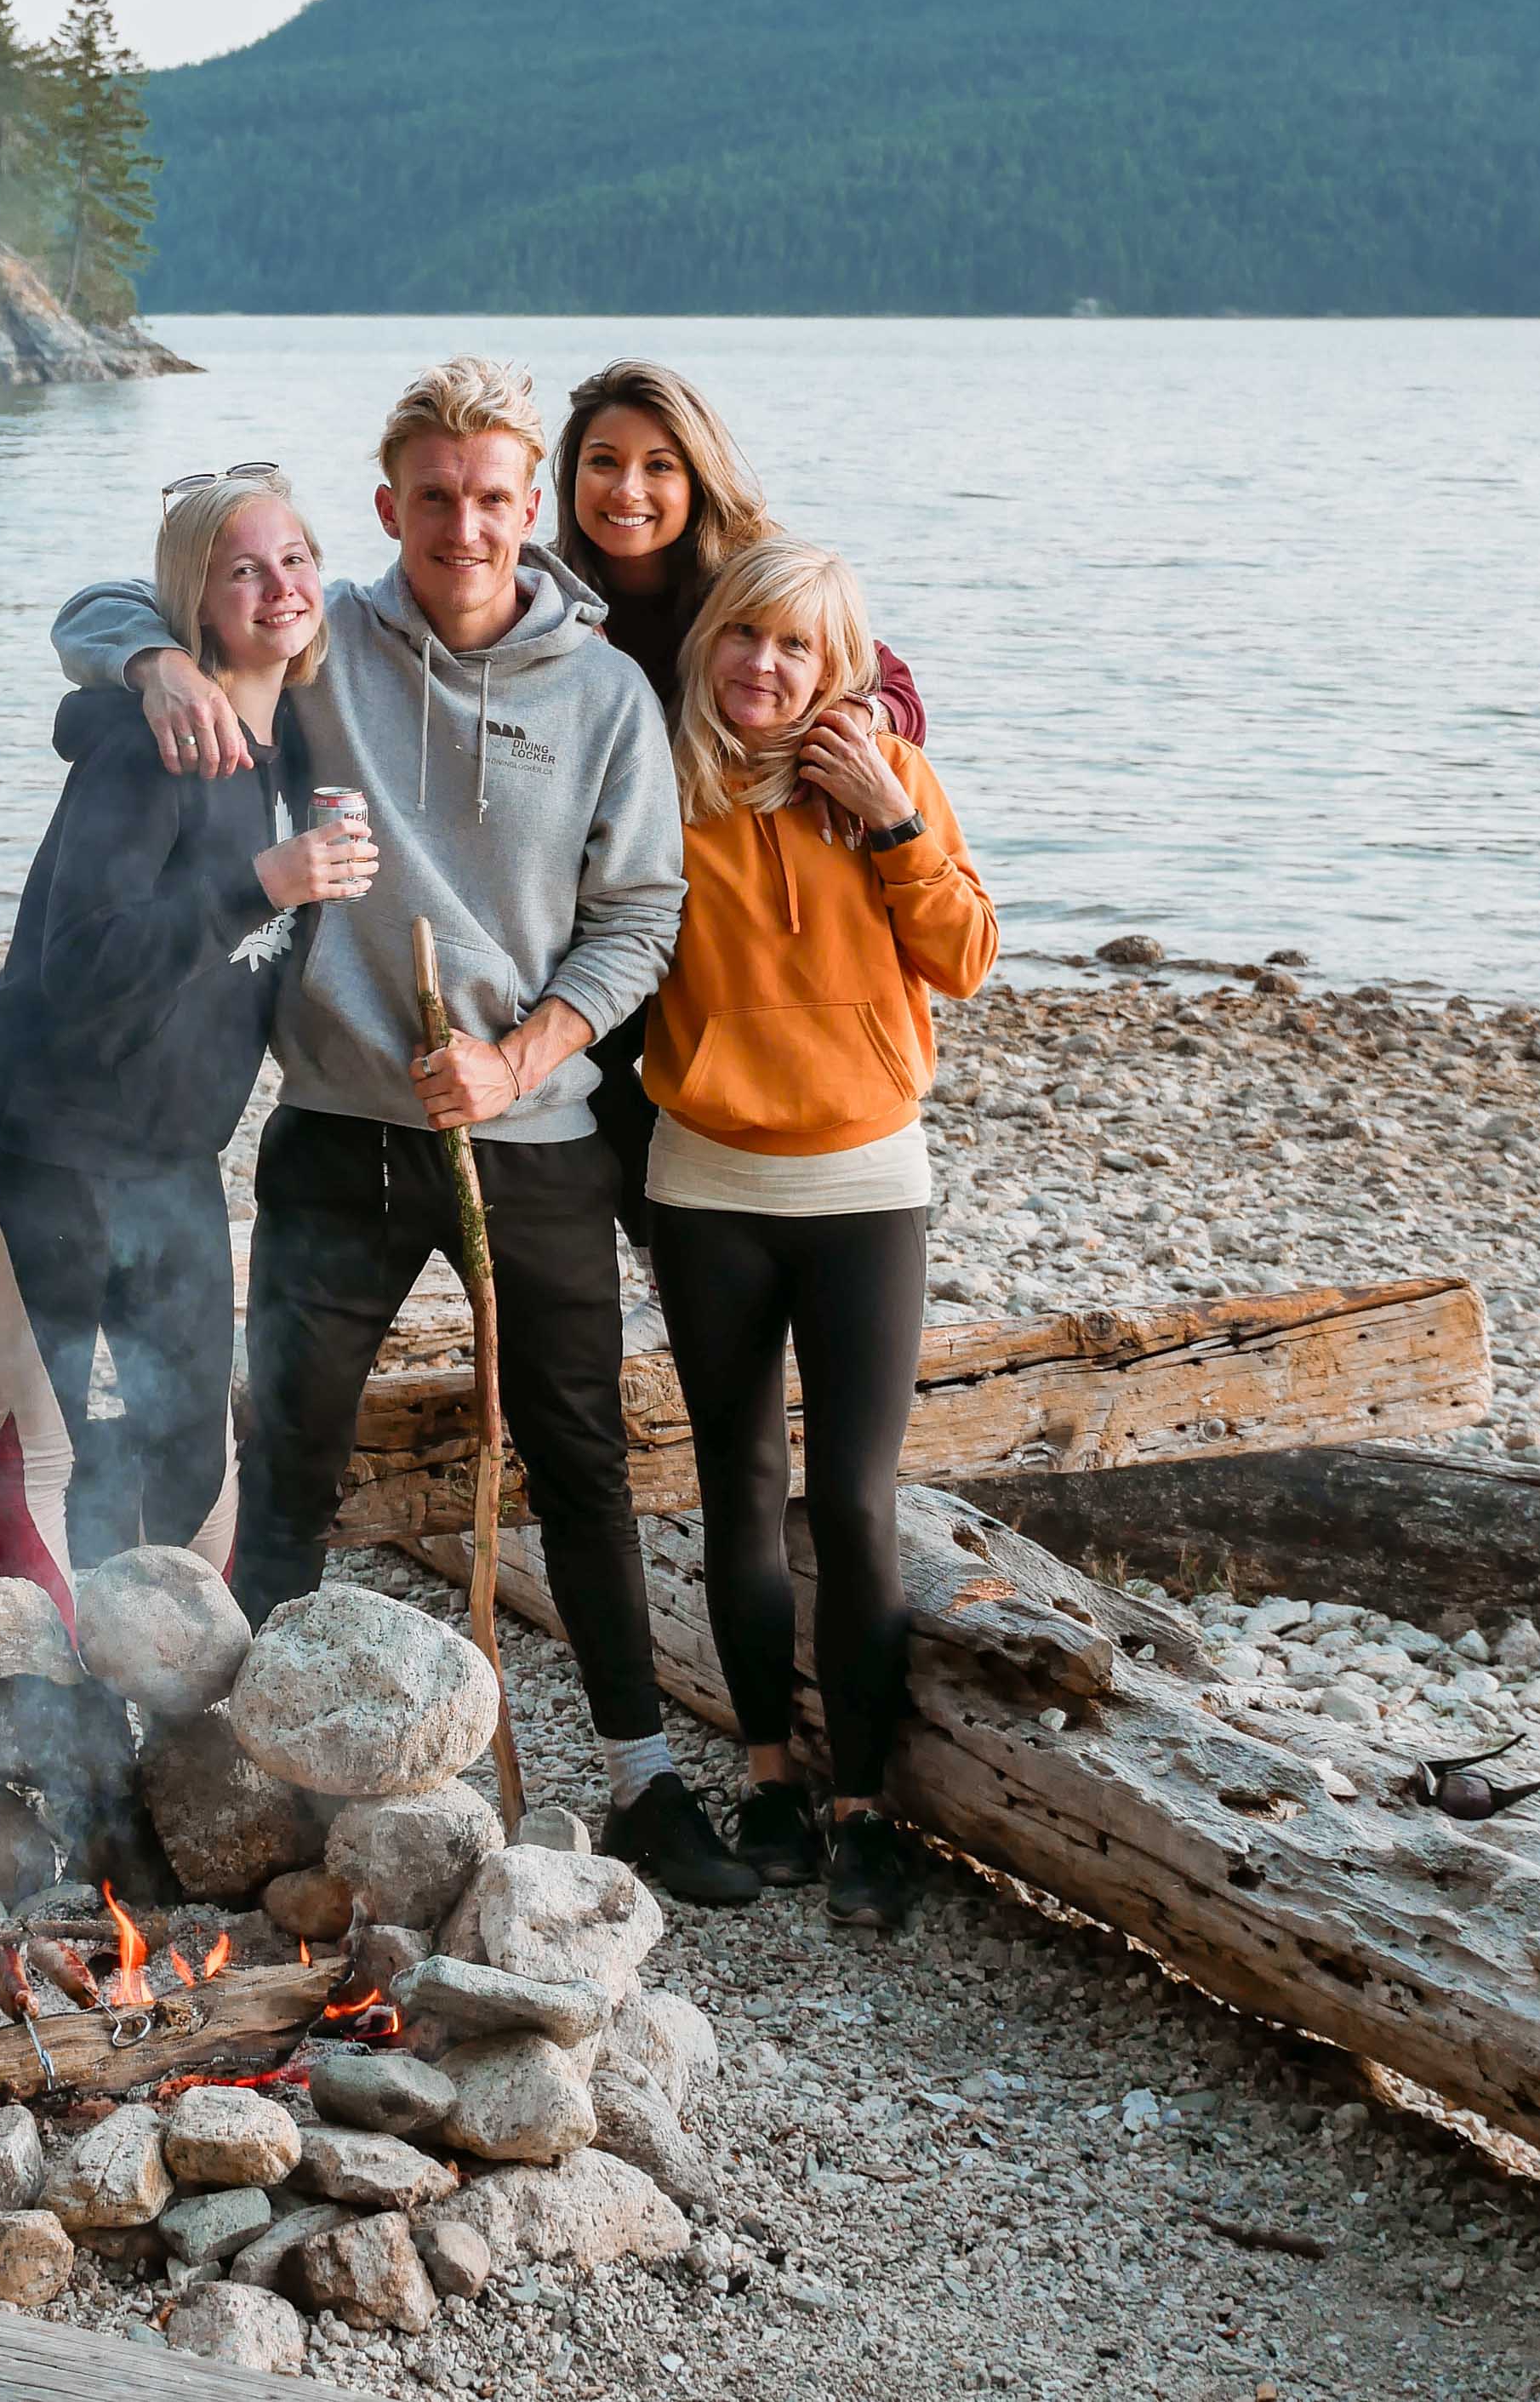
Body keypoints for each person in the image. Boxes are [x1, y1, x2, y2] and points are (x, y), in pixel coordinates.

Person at [51, 358, 759, 1903]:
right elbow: (110, 599)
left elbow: (639, 918)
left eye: (493, 497)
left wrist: (520, 1059)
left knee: (579, 1459)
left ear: (532, 507)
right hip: (339, 1129)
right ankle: (224, 1767)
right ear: (390, 507)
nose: (463, 525)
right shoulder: (327, 644)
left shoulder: (604, 693)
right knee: (285, 1459)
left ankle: (643, 1777)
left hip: (535, 1135)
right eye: (432, 498)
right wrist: (152, 669)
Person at [0, 471, 377, 1640]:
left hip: (176, 1154)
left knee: (197, 1447)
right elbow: (84, 966)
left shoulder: (293, 752)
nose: (278, 586)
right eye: (243, 568)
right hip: (37, 1136)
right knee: (41, 1433)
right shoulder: (149, 747)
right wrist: (261, 885)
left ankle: (195, 1735)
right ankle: (28, 1736)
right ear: (197, 599)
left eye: (294, 559)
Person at [642, 537, 998, 1930]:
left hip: (865, 1185)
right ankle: (769, 1775)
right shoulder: (659, 790)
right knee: (735, 1486)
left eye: (796, 646)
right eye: (743, 636)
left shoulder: (889, 781)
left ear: (837, 666)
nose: (764, 666)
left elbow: (964, 956)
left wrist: (894, 823)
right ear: (708, 641)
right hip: (707, 1182)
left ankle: (866, 1802)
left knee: (850, 1499)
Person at [547, 359, 929, 1264]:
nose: (627, 489)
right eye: (603, 461)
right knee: (571, 1067)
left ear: (697, 476)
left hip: (721, 893)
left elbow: (888, 679)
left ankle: (680, 1248)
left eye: (660, 466)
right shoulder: (549, 598)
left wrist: (858, 723)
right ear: (568, 478)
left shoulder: (747, 582)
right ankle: (653, 1252)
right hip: (604, 892)